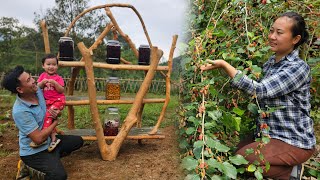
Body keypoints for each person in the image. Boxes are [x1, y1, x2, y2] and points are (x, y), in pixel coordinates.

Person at [201, 12, 316, 179]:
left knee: (241, 162)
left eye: (279, 33)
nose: (272, 36)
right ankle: (282, 165)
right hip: (269, 135)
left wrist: (225, 66)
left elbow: (260, 90)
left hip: (293, 140)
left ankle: (290, 171)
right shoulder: (271, 63)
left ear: (295, 39)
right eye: (271, 31)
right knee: (234, 156)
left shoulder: (298, 68)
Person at [1, 66, 83, 179]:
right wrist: (55, 123)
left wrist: (56, 113)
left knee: (78, 141)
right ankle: (29, 167)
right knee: (59, 176)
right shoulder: (20, 111)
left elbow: (55, 103)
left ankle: (51, 159)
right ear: (20, 89)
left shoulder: (38, 91)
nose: (34, 80)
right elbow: (38, 139)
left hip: (49, 141)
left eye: (30, 77)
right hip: (34, 152)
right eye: (28, 80)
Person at [30, 54, 65, 152]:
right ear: (43, 66)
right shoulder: (42, 76)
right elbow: (37, 87)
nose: (51, 66)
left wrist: (55, 83)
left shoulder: (58, 78)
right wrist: (42, 83)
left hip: (58, 101)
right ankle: (54, 139)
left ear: (57, 66)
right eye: (48, 64)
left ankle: (44, 137)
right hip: (47, 102)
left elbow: (61, 90)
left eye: (54, 64)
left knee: (48, 116)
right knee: (48, 117)